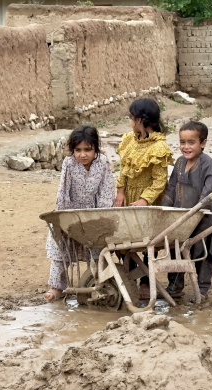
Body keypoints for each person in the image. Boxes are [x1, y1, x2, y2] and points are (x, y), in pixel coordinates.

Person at [45, 126, 116, 301]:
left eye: (87, 150)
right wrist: (63, 217)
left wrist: (100, 218)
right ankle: (56, 287)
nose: (82, 155)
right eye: (78, 150)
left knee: (98, 250)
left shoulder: (103, 163)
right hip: (71, 211)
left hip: (94, 213)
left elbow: (106, 192)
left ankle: (103, 283)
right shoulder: (69, 163)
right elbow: (63, 191)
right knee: (61, 251)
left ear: (95, 148)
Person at [114, 98, 174, 299]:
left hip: (149, 201)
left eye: (131, 118)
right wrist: (120, 191)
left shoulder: (158, 147)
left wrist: (145, 200)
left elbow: (160, 181)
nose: (130, 122)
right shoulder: (129, 141)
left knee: (149, 241)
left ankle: (146, 280)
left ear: (139, 120)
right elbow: (123, 168)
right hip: (128, 196)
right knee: (124, 239)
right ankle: (129, 275)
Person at [162, 121, 212, 302]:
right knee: (176, 250)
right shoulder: (179, 163)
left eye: (191, 142)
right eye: (182, 142)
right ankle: (175, 285)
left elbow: (210, 191)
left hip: (203, 218)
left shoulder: (208, 165)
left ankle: (202, 289)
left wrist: (199, 211)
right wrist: (164, 210)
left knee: (203, 252)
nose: (185, 147)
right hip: (180, 217)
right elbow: (172, 188)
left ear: (202, 143)